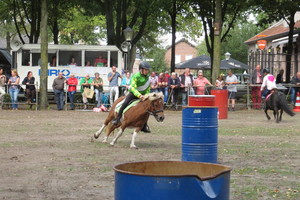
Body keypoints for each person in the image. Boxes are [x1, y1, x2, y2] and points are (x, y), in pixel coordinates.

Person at [111, 61, 152, 133]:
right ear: (141, 69)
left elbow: (148, 88)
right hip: (133, 94)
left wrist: (146, 95)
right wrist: (139, 95)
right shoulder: (135, 76)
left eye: (147, 70)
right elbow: (133, 88)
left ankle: (144, 125)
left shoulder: (148, 78)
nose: (147, 71)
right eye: (145, 70)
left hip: (143, 96)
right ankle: (117, 118)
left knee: (148, 108)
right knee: (125, 102)